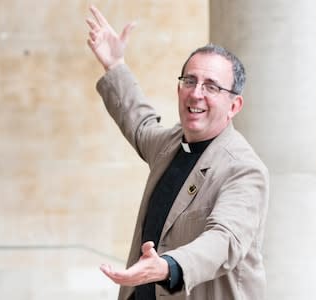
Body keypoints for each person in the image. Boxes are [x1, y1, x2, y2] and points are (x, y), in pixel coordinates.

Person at [86, 5, 269, 300]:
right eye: (190, 81)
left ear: (234, 106)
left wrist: (169, 267)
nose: (196, 93)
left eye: (211, 86)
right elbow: (140, 123)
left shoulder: (244, 169)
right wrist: (115, 65)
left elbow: (224, 240)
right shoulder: (170, 143)